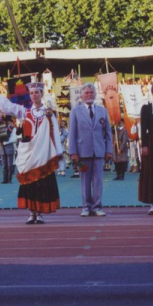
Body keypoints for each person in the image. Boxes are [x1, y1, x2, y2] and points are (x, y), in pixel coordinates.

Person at [0, 83, 63, 224]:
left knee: (42, 182)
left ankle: (39, 213)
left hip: (43, 153)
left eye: (37, 92)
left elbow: (54, 133)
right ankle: (31, 212)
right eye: (32, 93)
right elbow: (8, 107)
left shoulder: (49, 114)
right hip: (28, 152)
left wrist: (58, 153)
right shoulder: (25, 112)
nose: (34, 95)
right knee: (28, 183)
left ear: (42, 94)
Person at [68, 82, 113, 217]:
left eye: (91, 92)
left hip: (99, 152)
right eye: (86, 93)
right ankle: (86, 207)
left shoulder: (102, 111)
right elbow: (72, 133)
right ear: (81, 95)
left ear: (95, 94)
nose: (89, 95)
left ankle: (97, 207)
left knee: (98, 181)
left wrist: (109, 150)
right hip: (82, 153)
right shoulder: (75, 111)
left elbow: (108, 133)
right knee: (84, 181)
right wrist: (73, 152)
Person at [139, 81, 153, 215]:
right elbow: (143, 128)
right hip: (152, 143)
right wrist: (145, 145)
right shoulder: (146, 108)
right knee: (152, 172)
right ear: (152, 92)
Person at [0, 119, 17, 184]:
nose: (6, 122)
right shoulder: (1, 129)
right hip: (2, 147)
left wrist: (5, 142)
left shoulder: (13, 129)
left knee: (10, 164)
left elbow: (14, 138)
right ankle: (5, 179)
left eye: (7, 121)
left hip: (9, 146)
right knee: (4, 164)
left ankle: (9, 179)